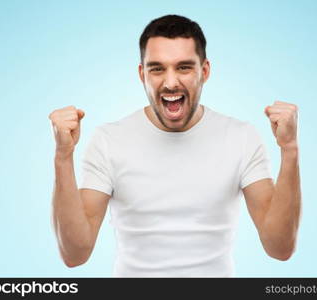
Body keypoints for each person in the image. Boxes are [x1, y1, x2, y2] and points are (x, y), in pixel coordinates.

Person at [48, 15, 301, 277]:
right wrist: (63, 156)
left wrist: (290, 149)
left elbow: (279, 247)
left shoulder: (241, 137)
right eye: (157, 68)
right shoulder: (109, 140)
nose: (170, 83)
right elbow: (75, 254)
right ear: (142, 74)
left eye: (183, 67)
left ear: (204, 71)